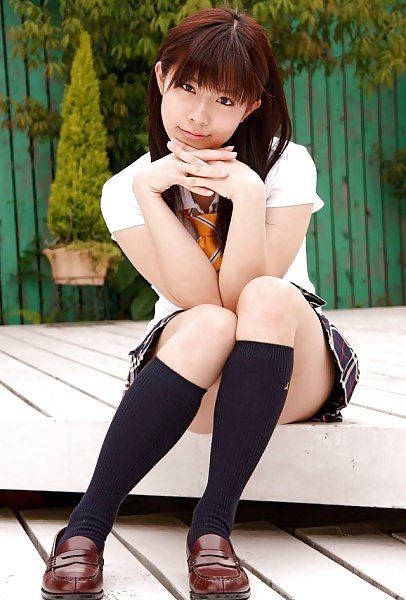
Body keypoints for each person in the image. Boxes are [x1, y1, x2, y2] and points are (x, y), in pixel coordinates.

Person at [41, 7, 360, 600]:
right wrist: (149, 191)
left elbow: (243, 297)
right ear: (162, 77)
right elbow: (199, 300)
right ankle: (84, 529)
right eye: (187, 87)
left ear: (251, 107)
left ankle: (212, 529)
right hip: (192, 374)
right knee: (209, 321)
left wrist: (250, 194)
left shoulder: (287, 164)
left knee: (266, 294)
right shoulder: (127, 188)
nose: (199, 115)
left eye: (224, 99)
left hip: (288, 366)